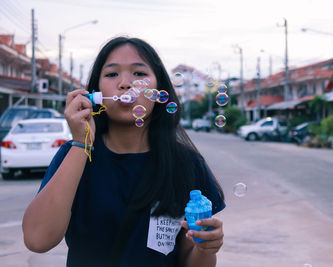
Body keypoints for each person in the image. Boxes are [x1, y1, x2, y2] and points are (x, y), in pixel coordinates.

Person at [22, 36, 225, 267]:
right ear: (95, 92)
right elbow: (37, 240)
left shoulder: (186, 164)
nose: (125, 83)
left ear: (159, 89)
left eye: (139, 74)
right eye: (111, 74)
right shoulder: (75, 154)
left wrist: (206, 248)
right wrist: (82, 143)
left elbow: (192, 261)